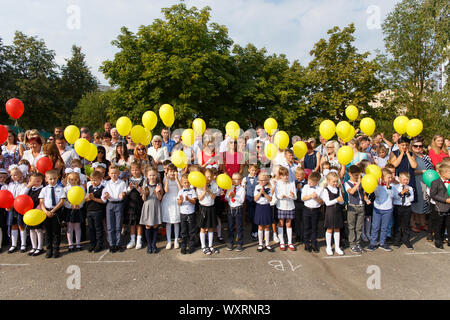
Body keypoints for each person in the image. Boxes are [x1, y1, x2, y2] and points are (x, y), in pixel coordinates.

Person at [39, 170, 66, 258]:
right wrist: (46, 211)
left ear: (57, 178)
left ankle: (56, 249)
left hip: (56, 212)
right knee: (48, 232)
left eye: (54, 178)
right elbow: (41, 202)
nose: (52, 180)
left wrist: (53, 211)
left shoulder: (60, 188)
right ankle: (49, 249)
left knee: (56, 231)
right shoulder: (44, 189)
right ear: (46, 179)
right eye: (50, 179)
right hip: (46, 212)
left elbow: (62, 201)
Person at [367, 168, 395, 252]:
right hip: (377, 208)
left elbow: (393, 195)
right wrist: (379, 185)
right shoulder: (378, 186)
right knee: (375, 226)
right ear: (383, 177)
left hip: (388, 209)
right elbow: (376, 193)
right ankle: (373, 243)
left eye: (391, 177)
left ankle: (382, 243)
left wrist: (389, 188)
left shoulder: (391, 187)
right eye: (388, 177)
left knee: (384, 227)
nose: (390, 179)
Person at [3, 167, 29, 253]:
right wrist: (7, 205)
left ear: (21, 174)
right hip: (11, 207)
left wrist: (14, 204)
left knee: (21, 225)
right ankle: (13, 244)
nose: (13, 176)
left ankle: (23, 244)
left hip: (19, 207)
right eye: (12, 175)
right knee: (13, 225)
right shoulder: (9, 185)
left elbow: (22, 194)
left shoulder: (23, 185)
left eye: (16, 174)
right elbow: (6, 196)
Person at [102, 165, 127, 253]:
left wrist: (123, 194)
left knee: (118, 225)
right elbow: (103, 195)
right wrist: (105, 196)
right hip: (110, 204)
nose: (114, 175)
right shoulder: (107, 183)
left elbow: (124, 191)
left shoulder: (122, 183)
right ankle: (112, 244)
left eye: (116, 173)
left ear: (119, 173)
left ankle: (118, 243)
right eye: (112, 173)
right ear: (109, 174)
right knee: (110, 226)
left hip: (119, 204)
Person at [410, 136, 433, 232]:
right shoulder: (411, 157)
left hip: (426, 183)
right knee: (415, 203)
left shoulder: (426, 157)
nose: (419, 148)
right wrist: (422, 172)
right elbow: (410, 171)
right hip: (416, 182)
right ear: (412, 146)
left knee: (424, 202)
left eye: (421, 146)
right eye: (416, 146)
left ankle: (422, 223)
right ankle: (412, 223)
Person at [344, 165, 369, 253]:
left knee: (359, 227)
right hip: (352, 207)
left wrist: (366, 199)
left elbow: (363, 193)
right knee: (351, 226)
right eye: (355, 175)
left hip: (361, 206)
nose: (357, 177)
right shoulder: (347, 183)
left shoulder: (361, 183)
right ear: (350, 174)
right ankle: (352, 244)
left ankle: (358, 243)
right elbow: (351, 192)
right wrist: (358, 183)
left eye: (358, 175)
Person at [140, 167, 164, 254]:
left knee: (154, 225)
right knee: (148, 226)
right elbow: (144, 199)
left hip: (156, 206)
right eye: (150, 175)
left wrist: (157, 191)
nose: (152, 177)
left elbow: (160, 198)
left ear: (156, 175)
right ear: (147, 176)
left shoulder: (159, 185)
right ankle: (149, 245)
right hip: (147, 206)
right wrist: (143, 193)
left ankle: (154, 244)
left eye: (154, 175)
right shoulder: (145, 185)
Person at [322, 171, 345, 255]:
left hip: (338, 211)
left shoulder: (338, 189)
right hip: (330, 212)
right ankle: (328, 247)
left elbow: (341, 201)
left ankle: (337, 247)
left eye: (336, 181)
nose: (335, 183)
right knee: (330, 229)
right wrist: (336, 200)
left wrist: (341, 201)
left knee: (337, 228)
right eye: (333, 181)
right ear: (328, 181)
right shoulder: (326, 190)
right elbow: (327, 203)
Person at [197, 168, 219, 255]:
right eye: (206, 177)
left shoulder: (214, 184)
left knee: (211, 227)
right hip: (203, 208)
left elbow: (213, 197)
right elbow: (199, 198)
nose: (208, 178)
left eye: (210, 177)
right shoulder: (199, 185)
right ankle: (203, 246)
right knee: (202, 228)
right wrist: (204, 191)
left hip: (211, 207)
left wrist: (208, 190)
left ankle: (210, 245)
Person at [124, 161, 146, 250]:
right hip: (131, 203)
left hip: (139, 203)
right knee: (132, 223)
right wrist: (130, 188)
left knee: (139, 223)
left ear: (140, 170)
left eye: (136, 170)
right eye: (133, 170)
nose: (135, 172)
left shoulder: (143, 179)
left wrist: (138, 188)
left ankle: (139, 240)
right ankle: (132, 240)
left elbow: (144, 192)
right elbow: (126, 191)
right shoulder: (129, 180)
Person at [276, 166, 297, 251]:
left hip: (290, 206)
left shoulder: (292, 183)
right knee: (281, 223)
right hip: (281, 206)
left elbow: (295, 196)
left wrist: (292, 196)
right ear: (280, 176)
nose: (286, 177)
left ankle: (290, 242)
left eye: (287, 175)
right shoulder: (278, 183)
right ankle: (282, 242)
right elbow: (277, 195)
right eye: (284, 175)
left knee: (289, 224)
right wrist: (282, 196)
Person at [301, 171, 323, 253]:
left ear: (316, 182)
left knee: (314, 227)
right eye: (308, 181)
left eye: (311, 182)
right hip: (306, 209)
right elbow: (303, 198)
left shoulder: (320, 189)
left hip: (315, 210)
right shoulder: (306, 187)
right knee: (306, 227)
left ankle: (314, 243)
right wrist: (310, 196)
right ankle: (306, 243)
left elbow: (322, 202)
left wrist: (316, 198)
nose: (309, 183)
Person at [429, 163, 450, 249]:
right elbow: (433, 195)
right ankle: (438, 241)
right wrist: (445, 200)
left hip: (449, 208)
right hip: (440, 207)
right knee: (439, 225)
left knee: (448, 224)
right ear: (444, 173)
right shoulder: (435, 182)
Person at [392, 172, 414, 250]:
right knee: (397, 224)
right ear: (400, 179)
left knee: (406, 225)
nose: (406, 181)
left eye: (407, 180)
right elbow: (394, 197)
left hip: (407, 207)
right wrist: (402, 193)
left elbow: (412, 199)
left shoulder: (410, 188)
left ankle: (406, 240)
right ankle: (396, 240)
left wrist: (408, 193)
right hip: (398, 207)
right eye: (404, 180)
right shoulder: (395, 187)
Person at [85, 171, 106, 253]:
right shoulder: (90, 187)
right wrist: (87, 199)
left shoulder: (103, 188)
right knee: (91, 228)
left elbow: (103, 201)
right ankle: (92, 243)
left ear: (100, 180)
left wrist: (94, 199)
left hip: (98, 211)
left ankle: (99, 244)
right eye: (92, 180)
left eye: (95, 180)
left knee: (98, 228)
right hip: (90, 210)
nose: (93, 182)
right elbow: (87, 198)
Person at [64, 172, 85, 252]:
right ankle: (70, 244)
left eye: (75, 179)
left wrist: (80, 204)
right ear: (68, 179)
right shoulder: (65, 189)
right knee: (69, 227)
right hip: (69, 210)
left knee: (77, 227)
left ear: (78, 179)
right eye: (71, 179)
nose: (73, 181)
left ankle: (78, 243)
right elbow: (64, 200)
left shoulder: (81, 188)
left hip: (78, 209)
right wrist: (70, 205)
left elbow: (83, 198)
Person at [177, 173, 197, 254]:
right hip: (183, 214)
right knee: (183, 231)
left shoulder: (192, 191)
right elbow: (178, 203)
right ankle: (183, 246)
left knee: (192, 231)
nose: (186, 184)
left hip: (191, 213)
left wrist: (189, 199)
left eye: (188, 182)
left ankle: (191, 246)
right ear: (182, 183)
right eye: (185, 182)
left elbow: (194, 202)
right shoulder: (180, 191)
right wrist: (181, 200)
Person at [162, 164, 181, 250]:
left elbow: (181, 190)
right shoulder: (165, 179)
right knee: (168, 222)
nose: (172, 173)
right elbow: (166, 190)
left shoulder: (179, 178)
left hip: (176, 200)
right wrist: (166, 179)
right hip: (168, 200)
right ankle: (169, 241)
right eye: (170, 171)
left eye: (174, 171)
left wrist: (177, 179)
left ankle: (176, 240)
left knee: (176, 222)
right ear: (167, 172)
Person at [254, 172, 274, 252]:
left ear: (267, 180)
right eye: (260, 180)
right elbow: (255, 199)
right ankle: (260, 244)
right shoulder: (256, 187)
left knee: (267, 226)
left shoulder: (270, 187)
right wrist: (260, 193)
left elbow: (270, 199)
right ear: (258, 180)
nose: (262, 182)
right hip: (259, 207)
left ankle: (267, 244)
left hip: (266, 207)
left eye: (264, 180)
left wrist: (264, 193)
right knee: (260, 226)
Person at [225, 172, 245, 251]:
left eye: (237, 179)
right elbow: (226, 198)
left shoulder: (242, 189)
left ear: (240, 180)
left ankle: (240, 243)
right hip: (230, 208)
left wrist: (234, 196)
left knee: (239, 227)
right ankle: (230, 242)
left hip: (238, 209)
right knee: (230, 226)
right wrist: (228, 196)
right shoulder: (229, 187)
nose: (235, 181)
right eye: (233, 179)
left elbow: (241, 201)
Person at [26, 173, 45, 256]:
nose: (36, 183)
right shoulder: (30, 189)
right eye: (34, 181)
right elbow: (23, 196)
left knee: (38, 230)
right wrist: (28, 186)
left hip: (37, 212)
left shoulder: (42, 189)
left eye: (38, 181)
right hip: (29, 212)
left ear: (42, 181)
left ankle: (40, 247)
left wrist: (37, 210)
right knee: (31, 230)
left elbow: (42, 201)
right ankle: (34, 246)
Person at [242, 164, 259, 241]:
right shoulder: (245, 179)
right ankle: (254, 229)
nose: (254, 172)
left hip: (257, 199)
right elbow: (243, 189)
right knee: (252, 216)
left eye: (255, 170)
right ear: (248, 170)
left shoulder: (258, 179)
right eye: (252, 170)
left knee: (257, 215)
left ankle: (255, 231)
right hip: (249, 199)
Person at [293, 166, 307, 244]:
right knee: (297, 220)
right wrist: (297, 189)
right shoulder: (294, 183)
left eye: (300, 175)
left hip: (304, 203)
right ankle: (298, 235)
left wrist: (301, 189)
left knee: (304, 220)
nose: (298, 177)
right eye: (297, 175)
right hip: (296, 203)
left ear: (303, 175)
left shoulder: (307, 183)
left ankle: (304, 235)